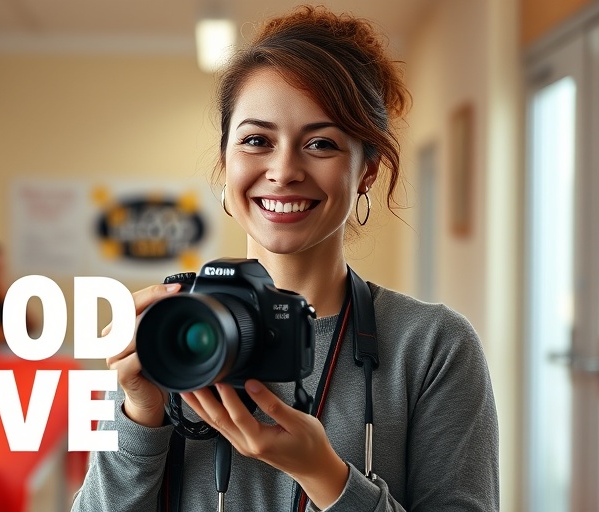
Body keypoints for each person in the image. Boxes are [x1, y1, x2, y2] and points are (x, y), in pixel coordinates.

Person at [74, 6, 498, 511]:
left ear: (367, 170)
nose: (284, 170)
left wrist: (326, 475)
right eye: (257, 140)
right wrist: (139, 416)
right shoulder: (172, 332)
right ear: (226, 159)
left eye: (321, 144)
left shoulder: (432, 349)